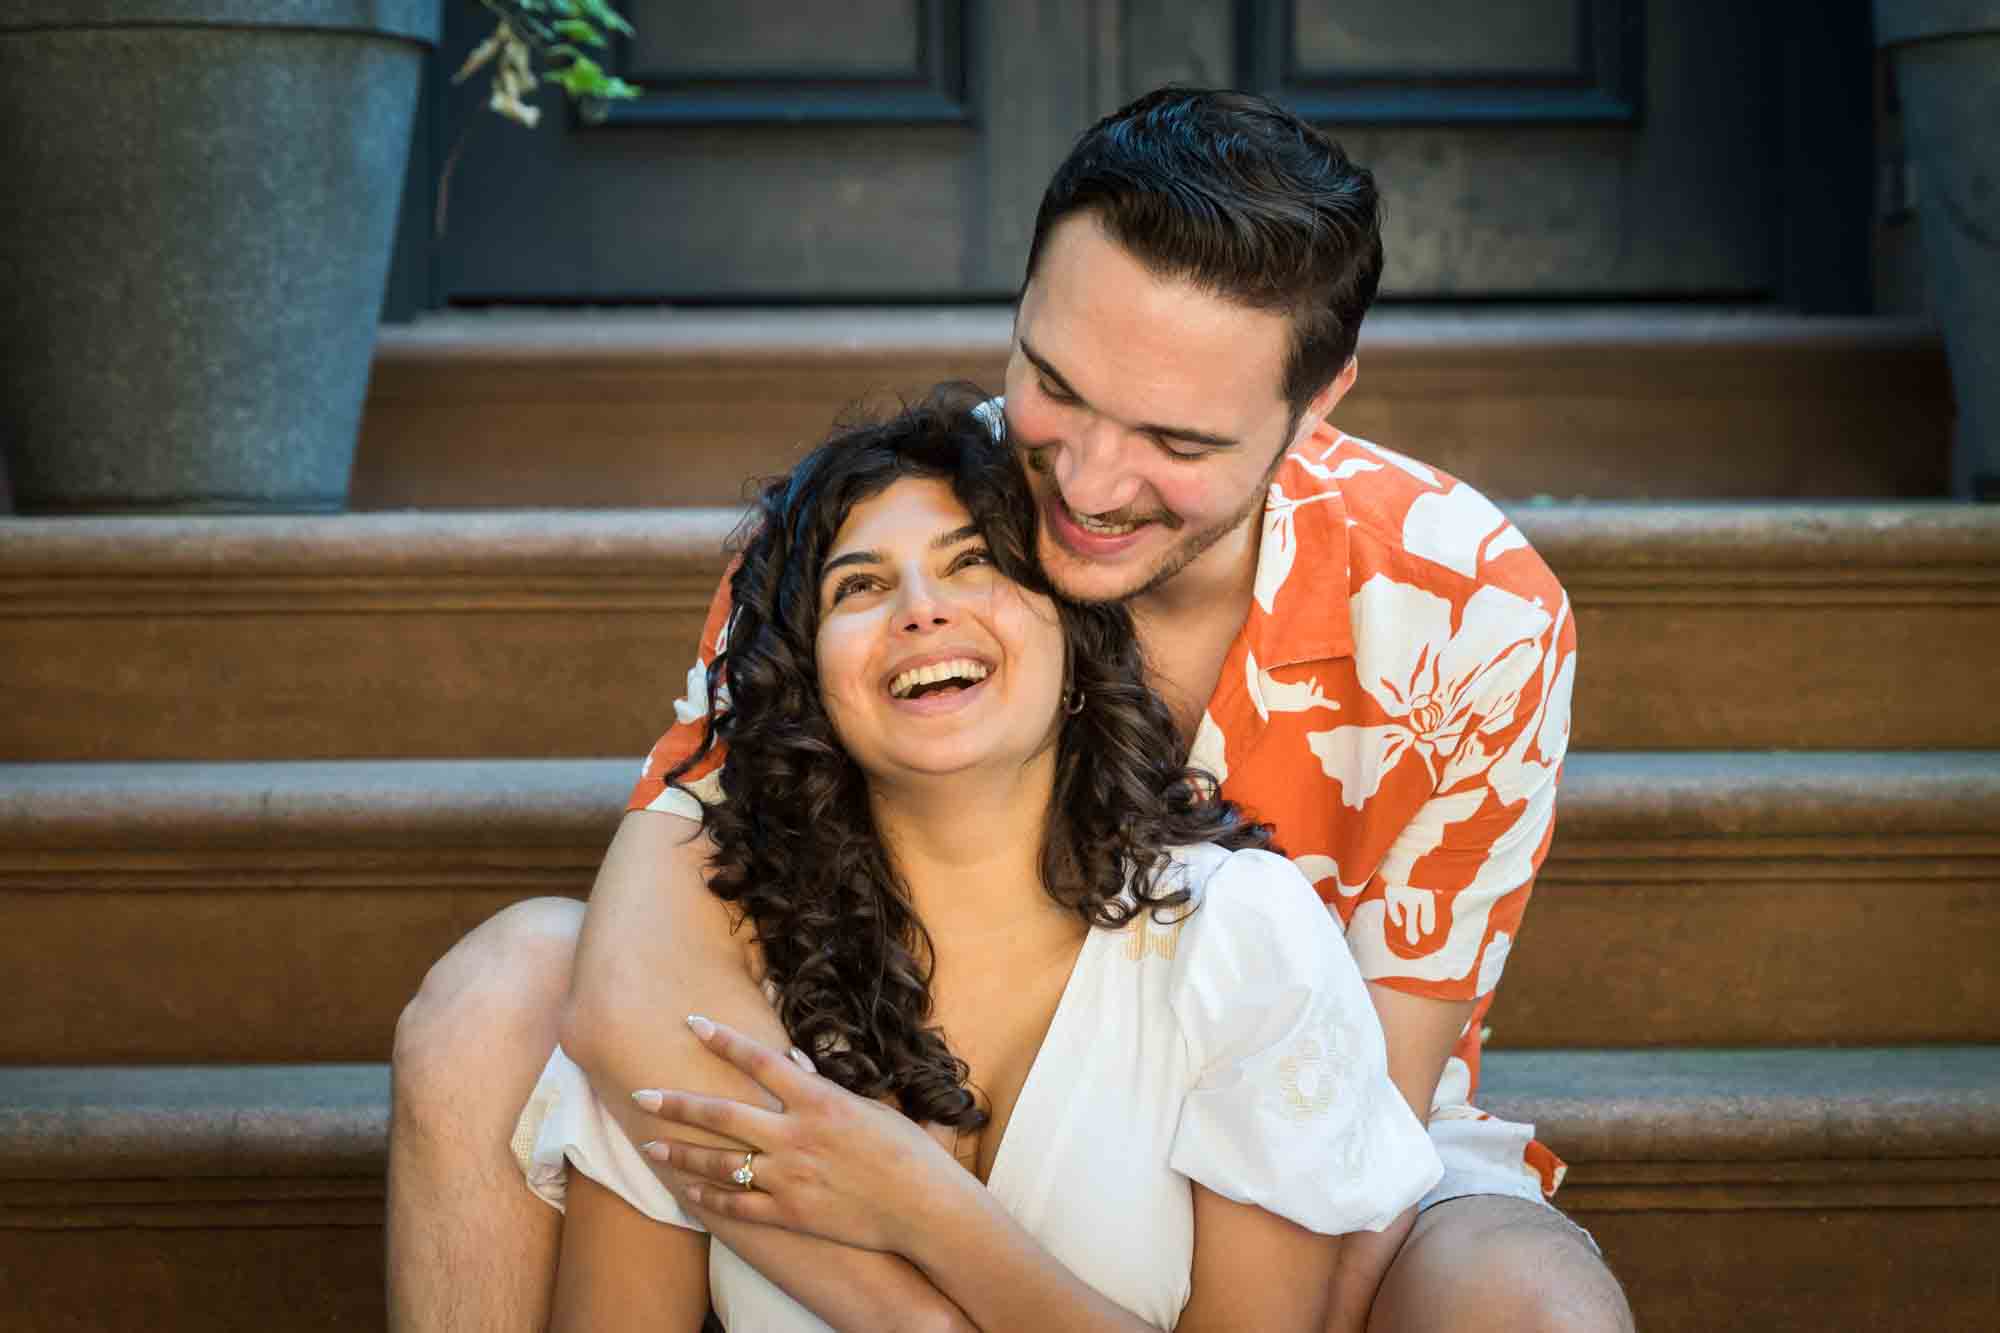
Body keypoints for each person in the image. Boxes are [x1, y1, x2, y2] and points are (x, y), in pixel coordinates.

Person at [389, 87, 1632, 1332]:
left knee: (1527, 1306)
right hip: (882, 1063)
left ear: (1317, 404)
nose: (1086, 483)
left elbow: (1369, 1116)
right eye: (1055, 383)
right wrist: (904, 1296)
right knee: (504, 986)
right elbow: (643, 950)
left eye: (1175, 440)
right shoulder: (894, 528)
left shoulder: (1472, 607)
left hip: (1303, 1140)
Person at [511, 392, 1442, 1330]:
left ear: (1076, 639)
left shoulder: (1238, 938)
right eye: (859, 587)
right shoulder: (706, 981)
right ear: (809, 691)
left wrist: (925, 1211)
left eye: (975, 564)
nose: (922, 611)